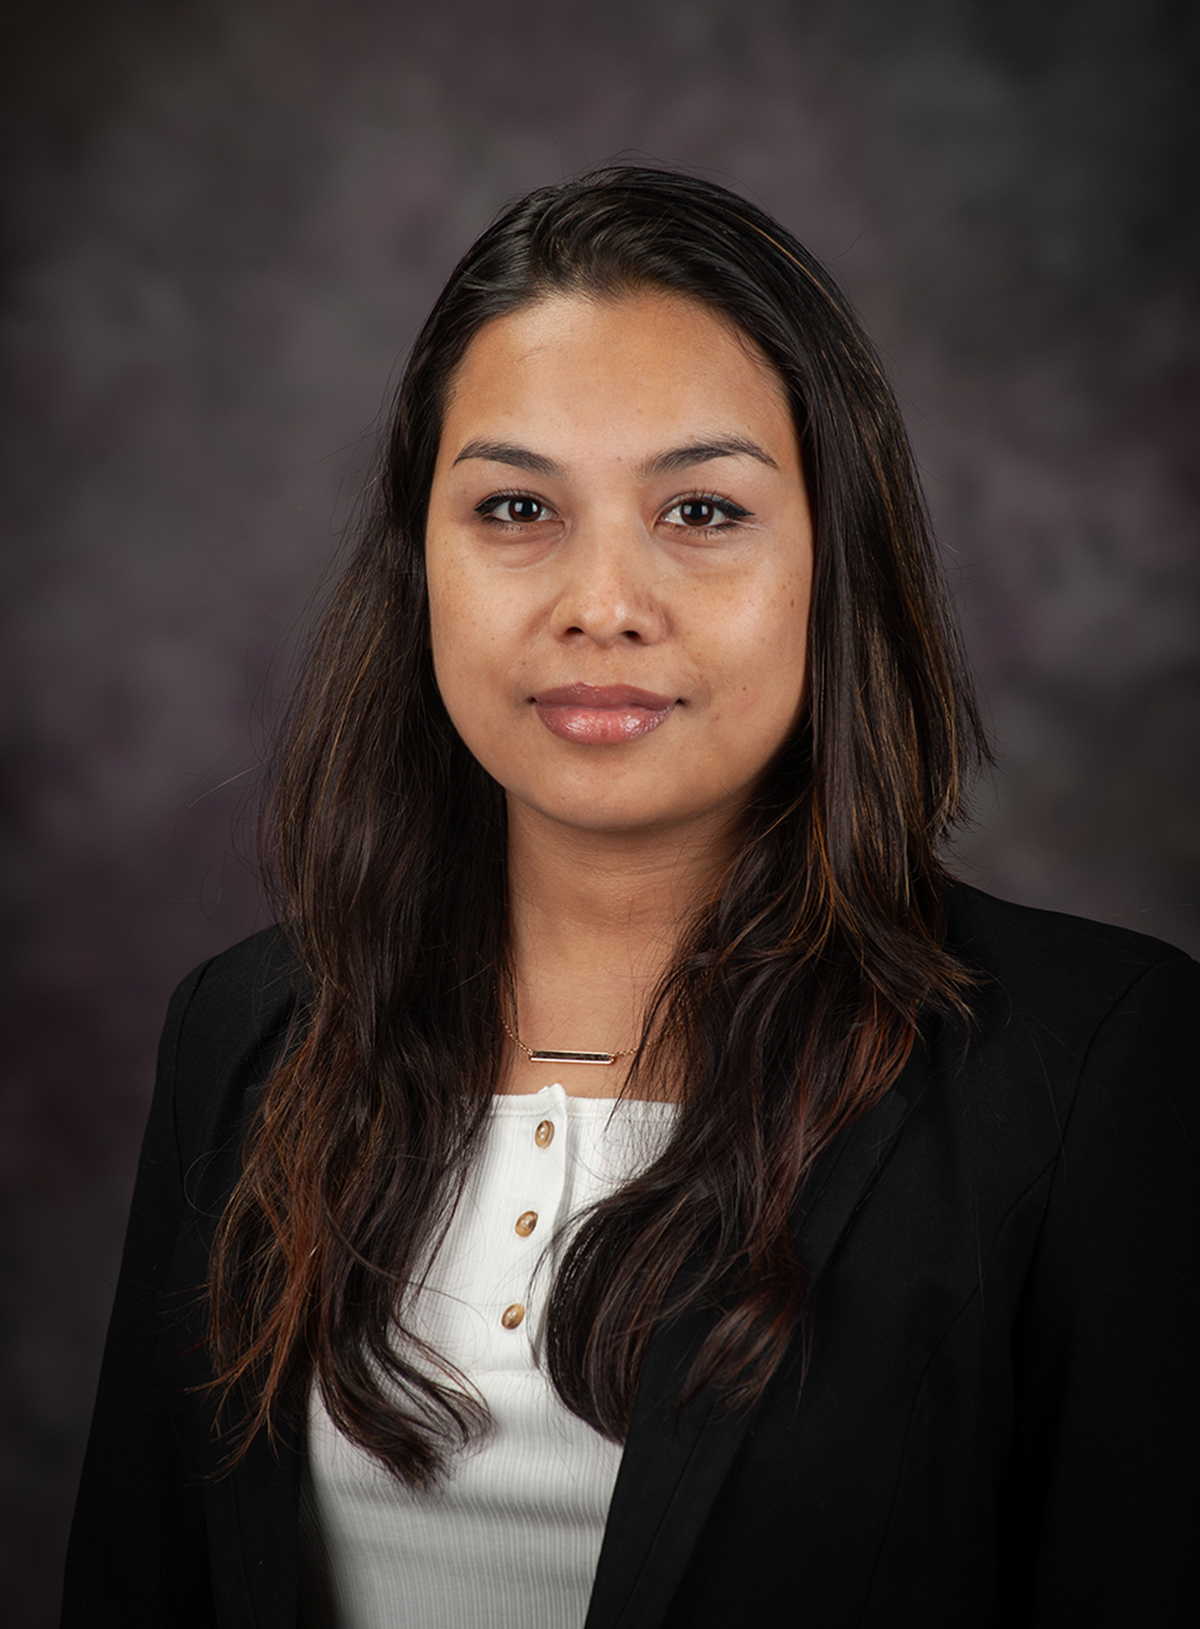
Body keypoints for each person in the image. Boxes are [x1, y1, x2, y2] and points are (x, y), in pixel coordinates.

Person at [63, 167, 1197, 1628]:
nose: (603, 600)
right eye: (517, 505)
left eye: (702, 509)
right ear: (419, 561)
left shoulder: (1092, 1064)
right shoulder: (243, 1032)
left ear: (830, 564)